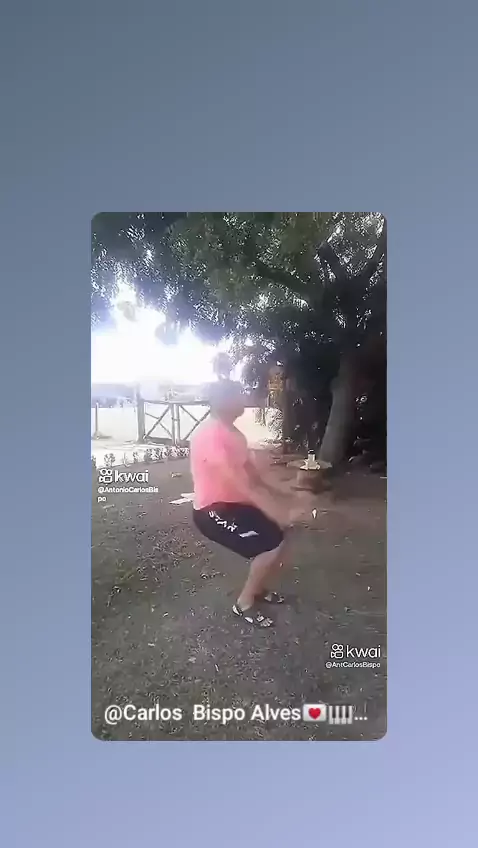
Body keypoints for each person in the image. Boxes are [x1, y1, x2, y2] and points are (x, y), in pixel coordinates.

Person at [190, 380, 315, 628]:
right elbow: (241, 485)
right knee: (268, 547)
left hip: (235, 505)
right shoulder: (211, 436)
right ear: (223, 401)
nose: (244, 399)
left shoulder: (235, 434)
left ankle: (258, 588)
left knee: (279, 538)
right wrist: (279, 513)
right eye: (239, 395)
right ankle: (244, 603)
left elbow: (253, 476)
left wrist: (286, 494)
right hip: (211, 511)